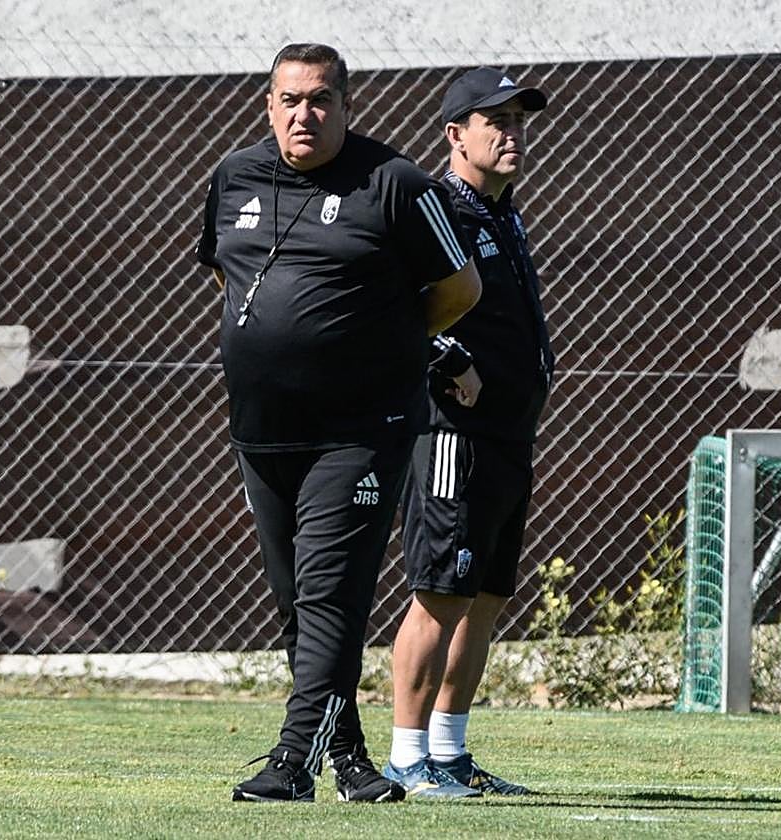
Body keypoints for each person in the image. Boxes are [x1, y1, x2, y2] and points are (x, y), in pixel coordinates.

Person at [196, 43, 482, 803]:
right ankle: (352, 763)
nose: (304, 114)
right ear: (268, 104)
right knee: (299, 603)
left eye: (320, 99)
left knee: (329, 594)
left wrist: (385, 342)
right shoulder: (234, 176)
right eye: (290, 99)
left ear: (346, 107)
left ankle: (293, 764)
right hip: (261, 430)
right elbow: (228, 271)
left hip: (362, 427)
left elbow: (460, 287)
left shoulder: (396, 185)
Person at [383, 67, 555, 799]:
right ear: (456, 134)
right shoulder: (433, 209)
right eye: (497, 121)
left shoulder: (502, 211)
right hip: (452, 433)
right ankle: (404, 759)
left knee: (485, 597)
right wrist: (446, 359)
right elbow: (387, 309)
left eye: (519, 120)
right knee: (440, 592)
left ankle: (450, 755)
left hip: (509, 433)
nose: (512, 133)